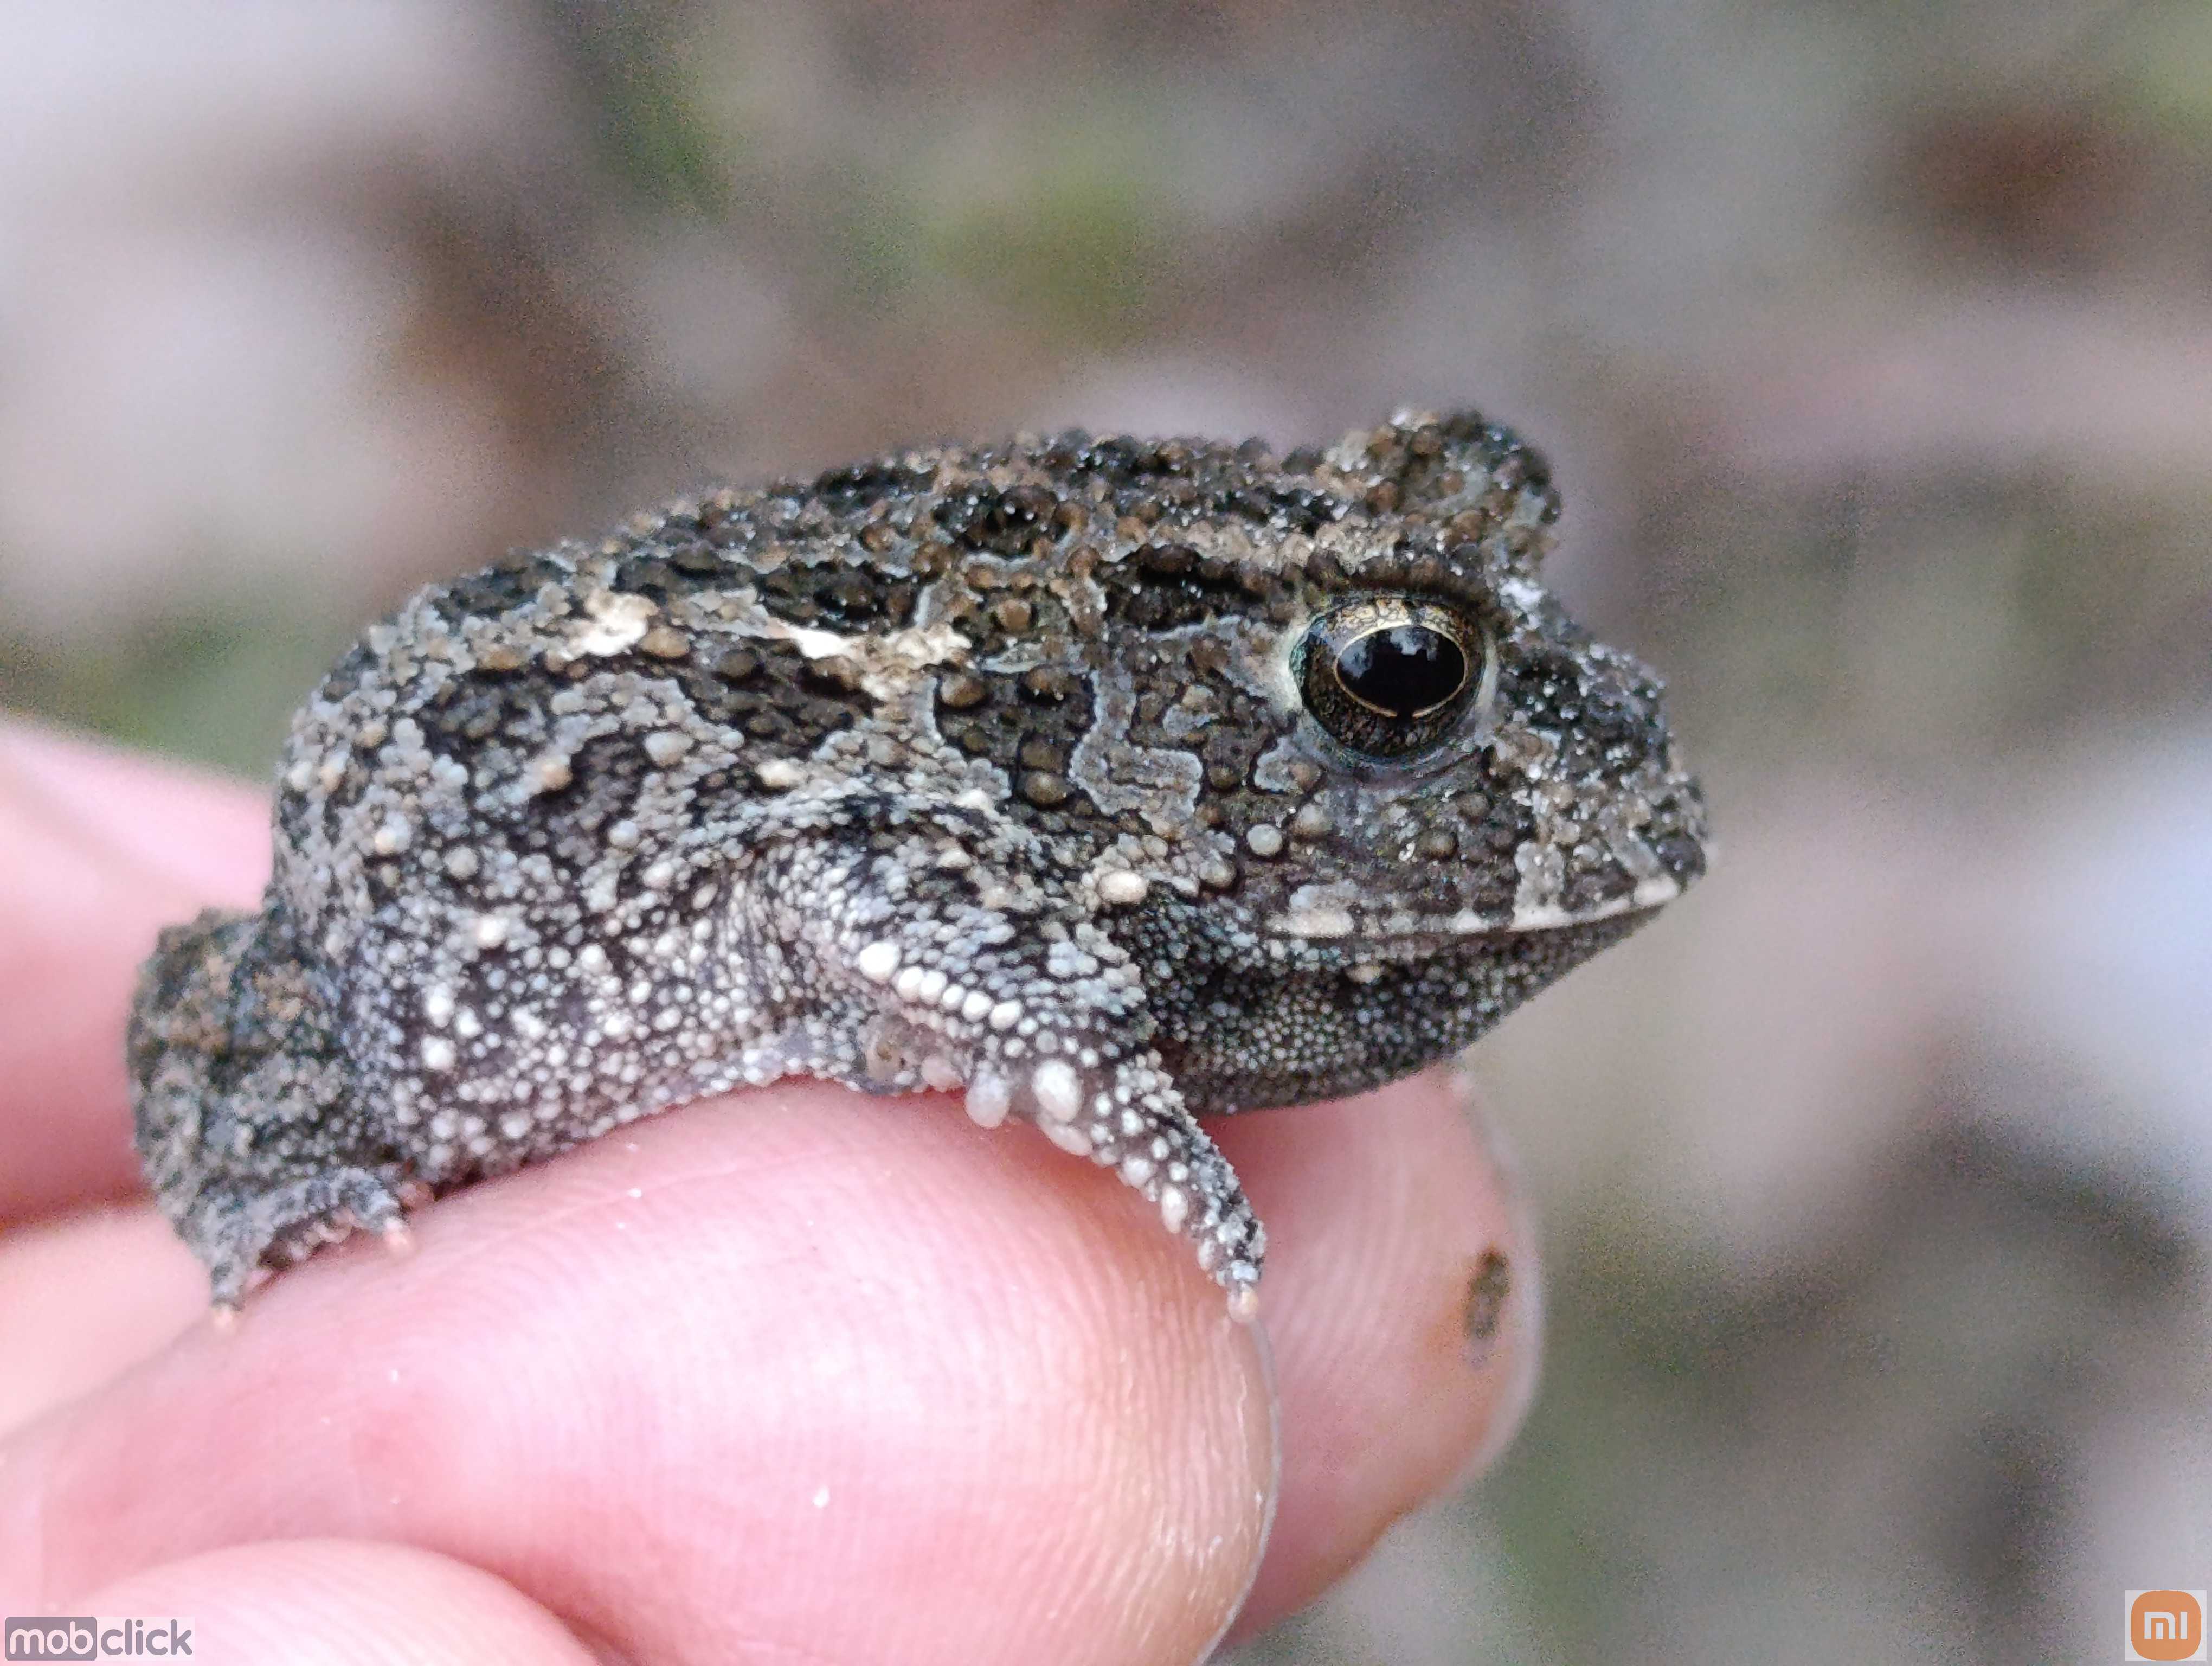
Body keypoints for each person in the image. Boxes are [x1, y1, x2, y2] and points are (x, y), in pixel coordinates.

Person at [0, 719, 1538, 1664]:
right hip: (394, 980)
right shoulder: (959, 775)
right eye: (1403, 680)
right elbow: (849, 871)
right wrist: (1093, 1066)